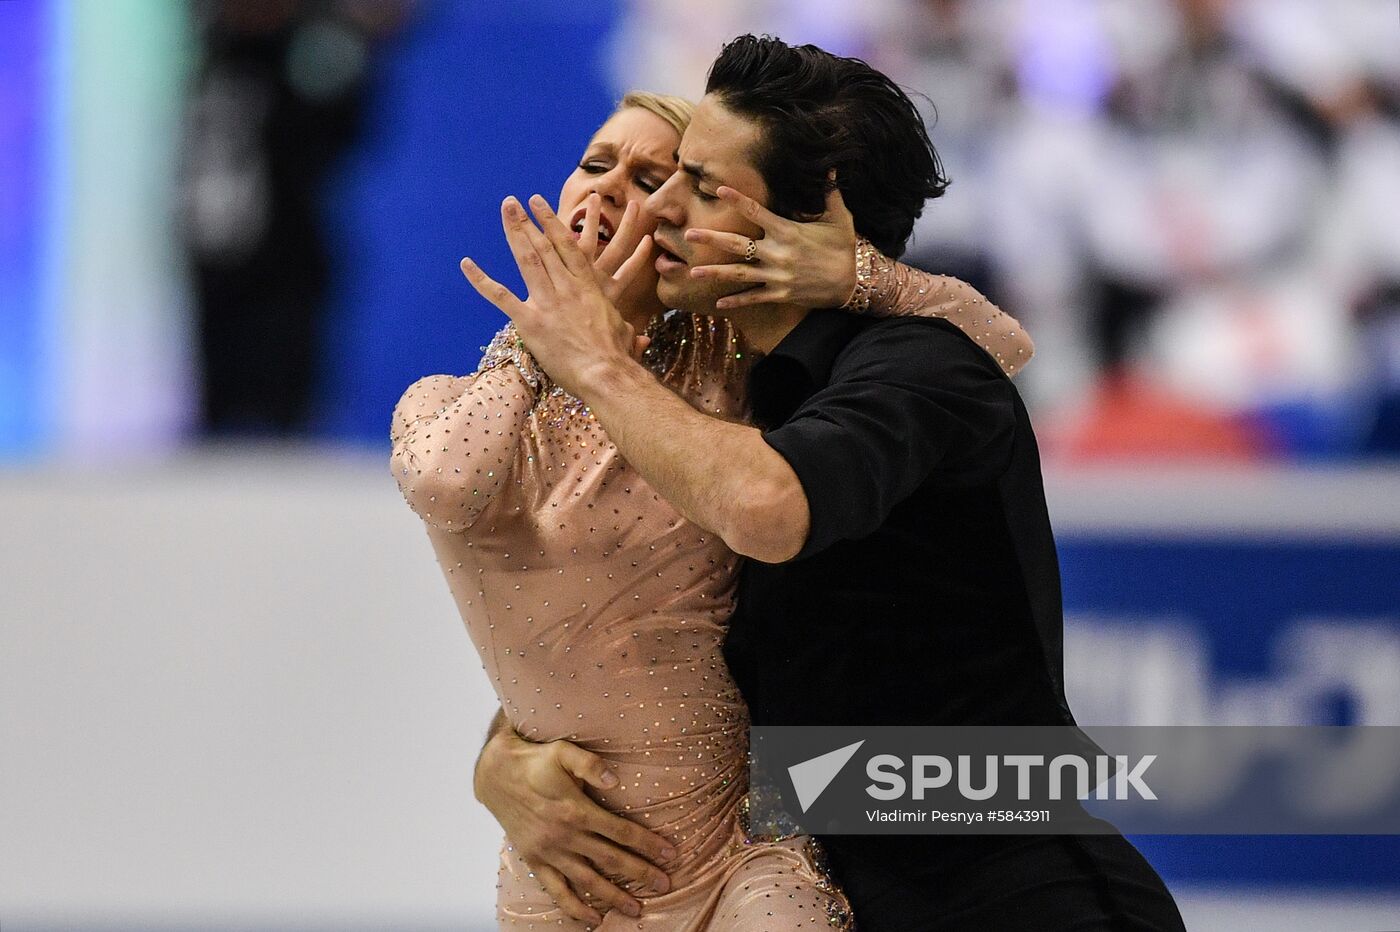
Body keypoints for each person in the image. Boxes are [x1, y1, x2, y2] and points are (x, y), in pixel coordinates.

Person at [462, 35, 1187, 931]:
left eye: (700, 189)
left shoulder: (921, 367)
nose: (656, 214)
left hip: (1015, 889)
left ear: (810, 216)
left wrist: (599, 366)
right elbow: (624, 638)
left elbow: (768, 508)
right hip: (847, 893)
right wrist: (499, 757)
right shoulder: (715, 397)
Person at [393, 89, 1035, 928]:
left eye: (659, 177)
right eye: (595, 165)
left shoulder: (734, 364)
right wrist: (543, 345)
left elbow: (1001, 349)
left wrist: (853, 273)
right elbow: (449, 487)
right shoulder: (449, 402)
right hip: (570, 862)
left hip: (746, 850)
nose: (617, 191)